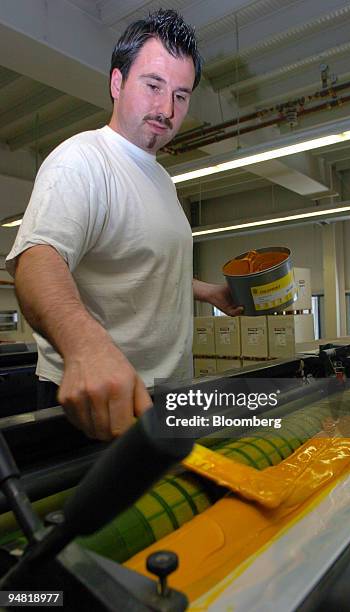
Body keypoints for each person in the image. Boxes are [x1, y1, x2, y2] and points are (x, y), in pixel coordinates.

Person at [6, 9, 241, 441]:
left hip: (166, 397)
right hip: (96, 407)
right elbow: (35, 261)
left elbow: (135, 260)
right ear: (117, 83)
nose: (167, 109)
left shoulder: (161, 180)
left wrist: (207, 291)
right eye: (153, 86)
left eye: (181, 96)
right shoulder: (82, 160)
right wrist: (85, 346)